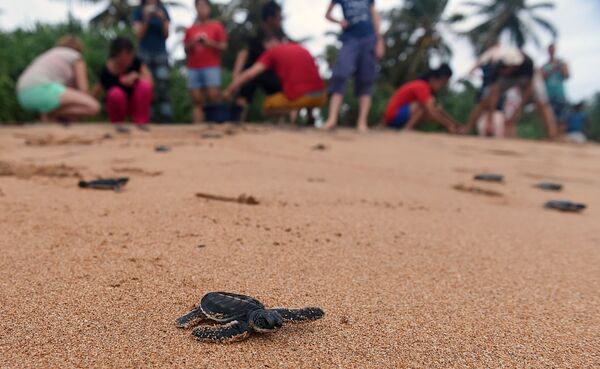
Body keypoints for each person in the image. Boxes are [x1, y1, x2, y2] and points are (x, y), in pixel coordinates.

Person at [462, 48, 558, 139]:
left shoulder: (528, 63)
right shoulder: (496, 66)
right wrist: (490, 121)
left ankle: (552, 134)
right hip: (506, 78)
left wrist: (518, 110)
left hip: (528, 78)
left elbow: (528, 88)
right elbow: (493, 93)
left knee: (542, 102)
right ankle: (467, 128)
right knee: (485, 99)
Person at [224, 36, 326, 120]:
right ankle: (310, 117)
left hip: (301, 98)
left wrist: (229, 90)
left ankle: (292, 109)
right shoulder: (300, 47)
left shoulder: (272, 52)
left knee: (267, 106)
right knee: (306, 85)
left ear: (269, 43)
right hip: (320, 96)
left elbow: (250, 74)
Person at [322, 0, 385, 132]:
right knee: (340, 73)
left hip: (369, 38)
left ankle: (362, 122)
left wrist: (379, 39)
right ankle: (332, 119)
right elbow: (327, 14)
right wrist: (339, 22)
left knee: (366, 78)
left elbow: (375, 16)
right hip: (349, 38)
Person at [16, 35, 99, 121]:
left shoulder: (50, 53)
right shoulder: (76, 56)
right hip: (41, 88)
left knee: (62, 107)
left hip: (22, 95)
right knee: (93, 107)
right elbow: (83, 89)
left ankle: (48, 116)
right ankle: (50, 113)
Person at [232, 1, 287, 119]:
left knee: (281, 93)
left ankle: (282, 124)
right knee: (244, 94)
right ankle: (237, 121)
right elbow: (243, 54)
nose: (281, 19)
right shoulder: (255, 33)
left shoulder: (280, 34)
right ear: (270, 18)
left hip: (270, 73)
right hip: (251, 71)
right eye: (278, 16)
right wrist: (236, 78)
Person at [184, 0, 228, 123]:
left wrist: (209, 43)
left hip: (211, 66)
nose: (201, 9)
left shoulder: (217, 26)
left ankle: (217, 122)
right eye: (199, 6)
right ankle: (198, 126)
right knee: (196, 99)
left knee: (214, 95)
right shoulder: (190, 29)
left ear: (209, 8)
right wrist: (193, 43)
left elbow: (224, 46)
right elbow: (185, 49)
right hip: (194, 66)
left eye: (204, 6)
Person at [383, 64, 460, 133]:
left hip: (397, 116)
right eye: (442, 83)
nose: (442, 86)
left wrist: (455, 124)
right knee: (424, 107)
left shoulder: (425, 89)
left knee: (435, 108)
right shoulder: (422, 87)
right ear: (433, 79)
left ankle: (408, 127)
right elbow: (431, 111)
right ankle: (407, 128)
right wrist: (449, 125)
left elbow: (438, 110)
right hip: (393, 116)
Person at [94, 37, 154, 124]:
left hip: (136, 104)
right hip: (117, 107)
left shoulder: (135, 62)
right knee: (115, 94)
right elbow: (96, 91)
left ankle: (141, 123)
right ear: (117, 55)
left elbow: (150, 81)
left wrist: (136, 76)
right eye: (127, 54)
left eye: (131, 54)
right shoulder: (106, 73)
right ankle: (118, 125)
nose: (130, 57)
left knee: (144, 85)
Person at [133, 0, 172, 123]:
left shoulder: (163, 10)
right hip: (144, 53)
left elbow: (167, 34)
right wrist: (146, 18)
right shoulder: (139, 11)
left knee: (163, 86)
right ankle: (148, 117)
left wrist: (162, 18)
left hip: (160, 52)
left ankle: (167, 118)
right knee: (146, 86)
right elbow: (139, 35)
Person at [542, 43, 570, 128]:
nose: (551, 51)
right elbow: (542, 78)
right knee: (550, 118)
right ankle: (554, 137)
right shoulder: (544, 66)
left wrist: (561, 67)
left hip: (560, 94)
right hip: (548, 94)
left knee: (562, 118)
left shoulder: (562, 63)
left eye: (553, 49)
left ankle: (561, 138)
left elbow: (567, 76)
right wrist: (552, 69)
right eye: (550, 50)